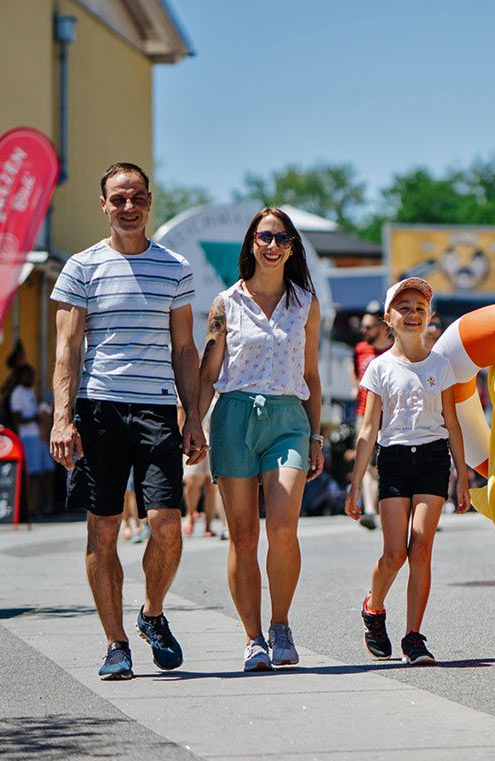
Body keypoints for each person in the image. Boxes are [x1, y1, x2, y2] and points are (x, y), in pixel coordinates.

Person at [49, 162, 205, 682]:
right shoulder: (81, 267)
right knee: (103, 531)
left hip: (158, 410)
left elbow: (185, 348)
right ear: (104, 205)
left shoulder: (174, 268)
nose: (128, 207)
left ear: (149, 201)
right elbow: (67, 349)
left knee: (166, 525)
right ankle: (116, 643)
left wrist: (194, 417)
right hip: (98, 411)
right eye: (118, 199)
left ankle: (152, 613)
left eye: (136, 198)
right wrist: (62, 419)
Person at [198, 208, 324, 673]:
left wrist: (316, 435)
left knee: (284, 527)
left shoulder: (306, 304)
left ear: (292, 248)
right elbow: (209, 372)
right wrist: (192, 420)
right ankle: (253, 638)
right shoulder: (225, 303)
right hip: (234, 416)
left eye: (283, 238)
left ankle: (281, 625)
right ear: (251, 242)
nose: (273, 245)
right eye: (265, 236)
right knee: (244, 534)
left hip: (289, 417)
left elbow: (310, 373)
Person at [345, 277, 471, 664]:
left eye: (419, 307)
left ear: (429, 316)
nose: (412, 313)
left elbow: (452, 421)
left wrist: (462, 478)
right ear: (389, 318)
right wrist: (354, 488)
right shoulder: (379, 369)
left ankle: (413, 637)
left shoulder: (441, 366)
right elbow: (368, 430)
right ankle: (374, 606)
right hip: (395, 459)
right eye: (404, 307)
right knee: (394, 554)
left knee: (421, 549)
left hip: (433, 458)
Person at [349, 308, 391, 530]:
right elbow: (354, 369)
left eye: (368, 326)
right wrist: (355, 386)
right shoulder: (360, 349)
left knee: (384, 464)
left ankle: (381, 507)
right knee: (364, 460)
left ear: (382, 326)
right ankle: (369, 510)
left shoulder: (395, 350)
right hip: (364, 413)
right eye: (362, 326)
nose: (363, 330)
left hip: (389, 415)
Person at [8, 363, 54, 518]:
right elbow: (17, 419)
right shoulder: (17, 393)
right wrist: (35, 417)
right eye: (28, 375)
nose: (32, 378)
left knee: (47, 471)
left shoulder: (30, 392)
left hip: (39, 436)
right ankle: (31, 507)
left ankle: (47, 506)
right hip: (28, 437)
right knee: (32, 474)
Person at [181, 399, 223, 539]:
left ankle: (208, 525)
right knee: (192, 481)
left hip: (215, 438)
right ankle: (190, 514)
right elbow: (181, 415)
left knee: (212, 484)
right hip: (194, 436)